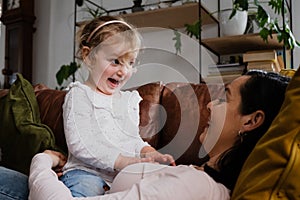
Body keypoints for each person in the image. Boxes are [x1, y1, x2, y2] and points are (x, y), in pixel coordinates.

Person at [25, 70, 290, 200]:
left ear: (252, 120)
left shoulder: (195, 187)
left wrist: (43, 161)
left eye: (225, 99)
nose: (210, 105)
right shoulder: (198, 177)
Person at [60, 15, 175, 197]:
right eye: (116, 61)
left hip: (122, 176)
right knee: (87, 189)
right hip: (86, 174)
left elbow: (132, 141)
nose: (124, 71)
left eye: (130, 63)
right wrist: (124, 162)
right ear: (88, 57)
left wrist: (150, 153)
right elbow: (81, 144)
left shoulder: (128, 100)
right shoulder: (79, 95)